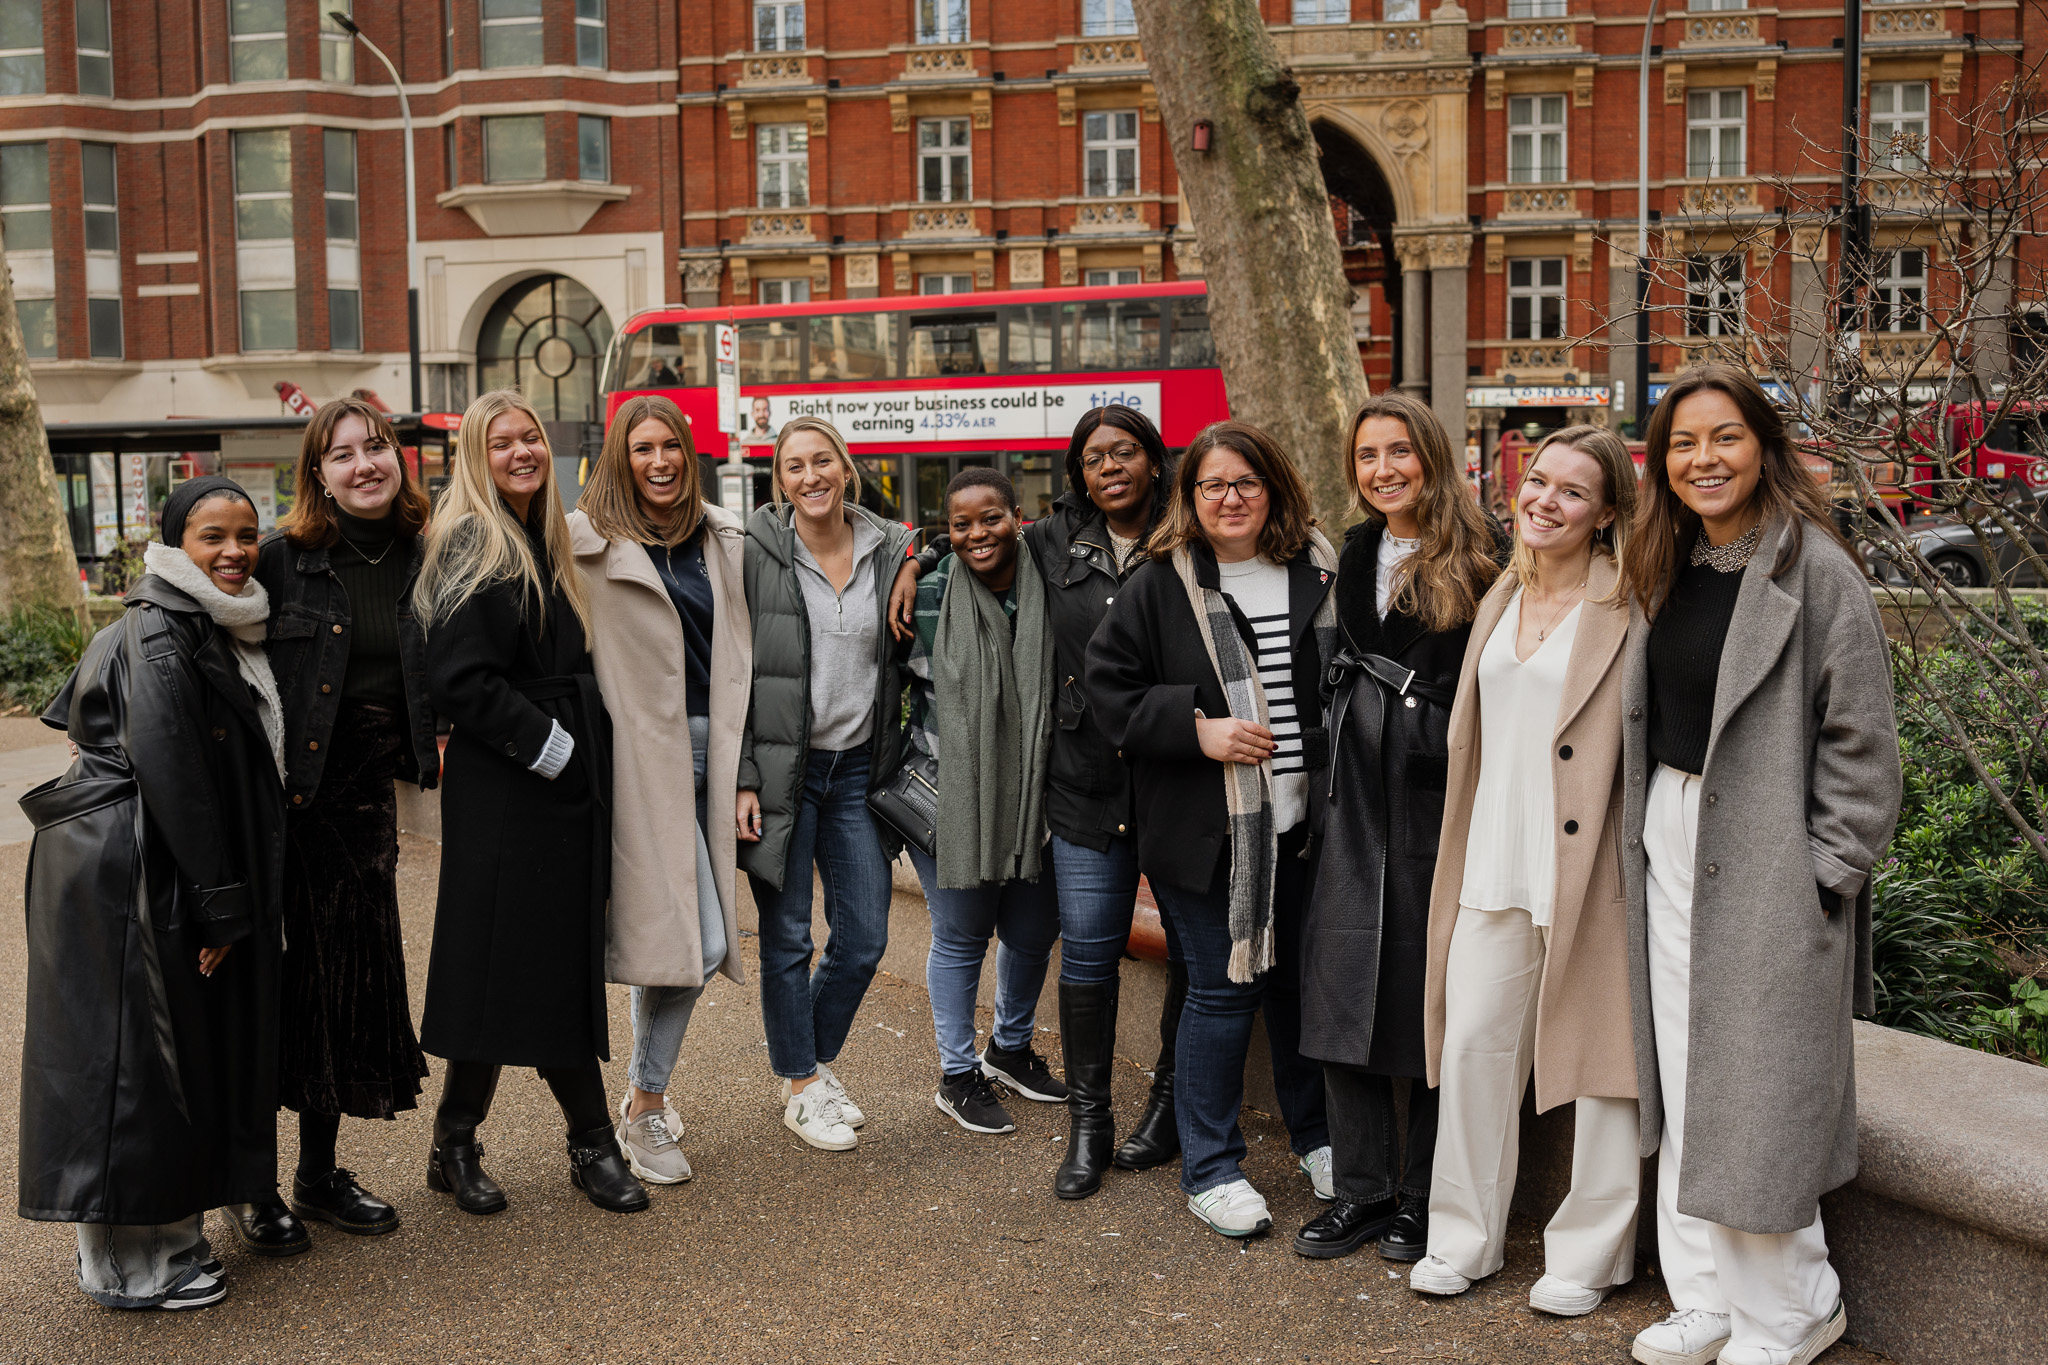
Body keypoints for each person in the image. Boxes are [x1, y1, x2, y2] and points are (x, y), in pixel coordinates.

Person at [1621, 364, 1901, 1365]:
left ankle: (1793, 1305)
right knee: (1687, 1066)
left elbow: (1861, 744)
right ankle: (1703, 1294)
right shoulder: (1666, 564)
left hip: (1766, 850)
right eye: (1683, 444)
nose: (1703, 459)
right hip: (1670, 829)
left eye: (1723, 437)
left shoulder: (1813, 570)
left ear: (1762, 448)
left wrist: (1824, 869)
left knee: (1756, 1083)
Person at [886, 407, 1190, 1197]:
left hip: (1162, 776)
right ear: (1076, 473)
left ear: (1155, 460)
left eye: (1125, 451)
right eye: (1095, 457)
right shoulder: (1051, 542)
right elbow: (955, 534)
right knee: (1066, 950)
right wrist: (912, 557)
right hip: (1056, 786)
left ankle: (1159, 1103)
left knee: (1064, 935)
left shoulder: (1185, 531)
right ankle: (1084, 1124)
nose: (1110, 466)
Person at [19, 477, 286, 1309]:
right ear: (175, 545)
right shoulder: (163, 630)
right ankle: (132, 1265)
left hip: (132, 862)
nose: (236, 550)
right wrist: (220, 904)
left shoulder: (188, 620)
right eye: (214, 536)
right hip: (134, 870)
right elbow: (173, 772)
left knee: (146, 1059)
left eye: (246, 533)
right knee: (135, 1065)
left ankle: (156, 1243)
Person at [1404, 426, 1642, 1312]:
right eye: (1538, 480)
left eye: (1572, 492)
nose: (1545, 499)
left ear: (1608, 512)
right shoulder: (1502, 590)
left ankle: (1588, 1255)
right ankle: (1464, 1238)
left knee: (1601, 1066)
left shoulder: (1630, 600)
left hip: (1588, 865)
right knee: (1471, 1046)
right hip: (1492, 856)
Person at [1087, 420, 1337, 1239]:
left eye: (1246, 482)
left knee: (1302, 991)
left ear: (1275, 488)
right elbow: (1106, 689)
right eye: (1211, 485)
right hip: (1210, 833)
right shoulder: (1162, 582)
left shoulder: (1320, 568)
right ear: (1190, 496)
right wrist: (1196, 729)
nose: (1229, 498)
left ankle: (1317, 1137)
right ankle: (1211, 1168)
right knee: (1225, 995)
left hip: (1312, 825)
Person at [413, 389, 647, 1215]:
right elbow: (460, 678)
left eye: (532, 438)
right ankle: (583, 1141)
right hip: (513, 781)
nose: (522, 451)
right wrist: (559, 752)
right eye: (503, 441)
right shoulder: (472, 539)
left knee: (533, 960)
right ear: (476, 455)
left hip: (549, 781)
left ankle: (460, 1136)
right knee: (508, 961)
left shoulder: (539, 535)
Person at [1293, 393, 1507, 1263]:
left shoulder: (1486, 555)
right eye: (1368, 456)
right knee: (1341, 991)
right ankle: (1362, 1190)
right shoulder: (1350, 552)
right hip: (1349, 803)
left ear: (1431, 456)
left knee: (1430, 1002)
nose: (1383, 470)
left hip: (1434, 803)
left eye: (1399, 453)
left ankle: (1421, 1195)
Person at [243, 399, 440, 1253]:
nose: (363, 465)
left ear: (397, 456)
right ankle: (248, 1185)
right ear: (315, 474)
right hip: (275, 800)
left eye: (376, 448)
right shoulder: (281, 561)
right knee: (258, 986)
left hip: (360, 807)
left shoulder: (428, 552)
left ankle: (315, 1174)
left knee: (340, 983)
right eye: (342, 454)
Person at [568, 394, 751, 1184]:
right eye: (641, 448)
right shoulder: (581, 542)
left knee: (674, 943)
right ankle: (645, 1106)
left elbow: (836, 532)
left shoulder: (724, 537)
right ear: (621, 456)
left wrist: (909, 557)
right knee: (700, 943)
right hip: (642, 763)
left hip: (718, 756)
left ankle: (642, 1100)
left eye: (670, 445)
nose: (659, 461)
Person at [736, 417, 919, 1151]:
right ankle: (804, 1083)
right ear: (779, 481)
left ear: (846, 468)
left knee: (866, 934)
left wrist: (913, 555)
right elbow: (732, 673)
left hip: (855, 771)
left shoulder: (886, 547)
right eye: (793, 467)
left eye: (822, 462)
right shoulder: (756, 551)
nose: (809, 477)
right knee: (786, 937)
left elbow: (924, 540)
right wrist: (745, 776)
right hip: (787, 770)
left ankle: (804, 1062)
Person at [901, 467, 1066, 1135]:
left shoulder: (1049, 581)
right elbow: (897, 684)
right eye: (961, 523)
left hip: (1036, 795)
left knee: (1033, 930)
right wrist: (916, 557)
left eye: (990, 517)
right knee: (963, 934)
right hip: (951, 792)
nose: (978, 533)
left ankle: (1009, 1047)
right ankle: (957, 1072)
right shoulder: (931, 589)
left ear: (1017, 514)